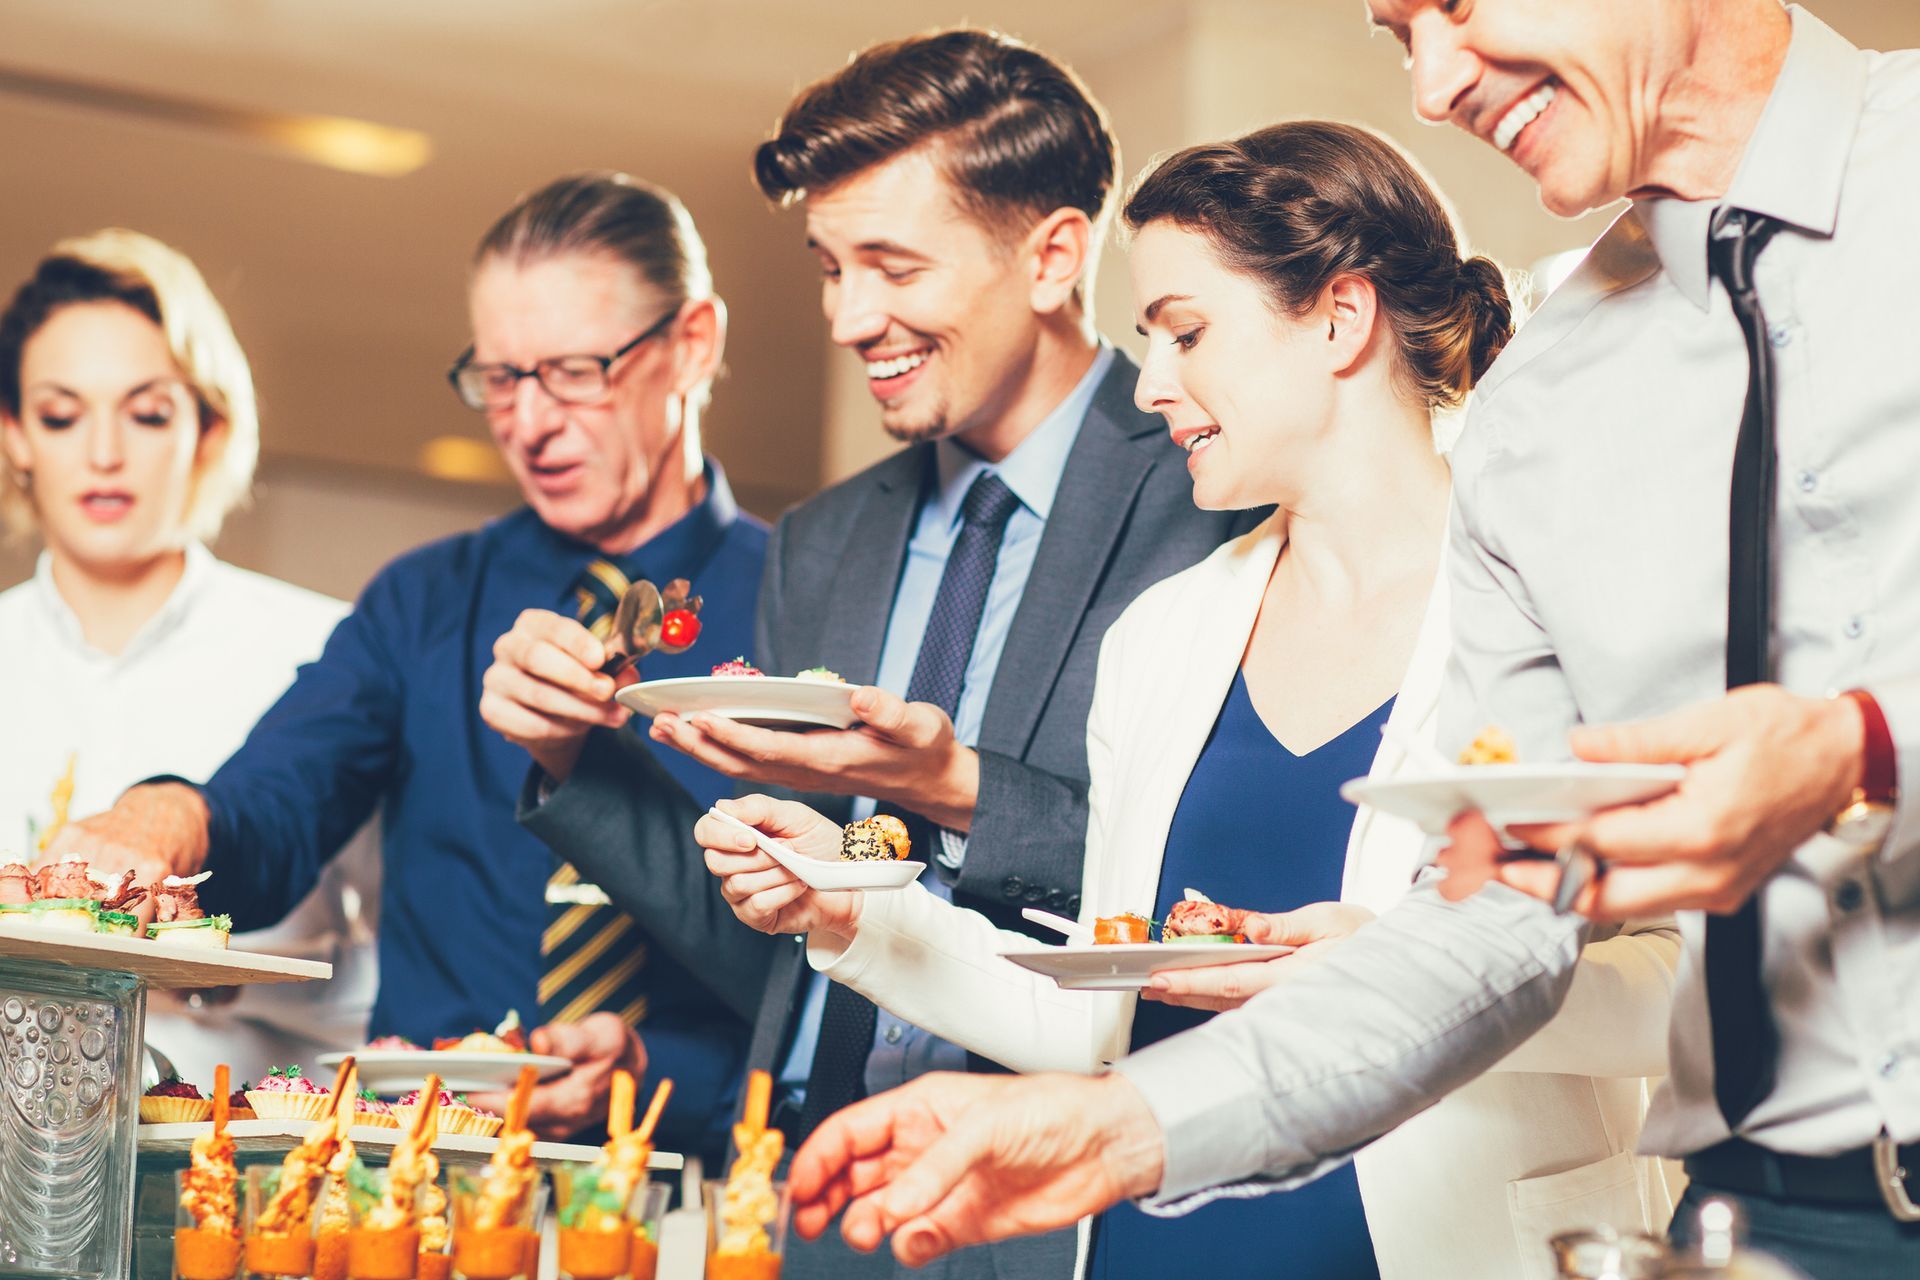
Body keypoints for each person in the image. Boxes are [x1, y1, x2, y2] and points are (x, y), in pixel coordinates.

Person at [776, 3, 1920, 1277]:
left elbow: (1653, 937)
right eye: (1397, 34)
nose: (1431, 87)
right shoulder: (1553, 399)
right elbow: (1495, 929)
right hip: (1753, 1215)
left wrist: (1866, 749)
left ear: (1338, 318)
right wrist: (1118, 1121)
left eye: (1457, 7)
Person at [699, 121, 1682, 1280]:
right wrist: (853, 911)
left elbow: (1689, 989)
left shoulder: (1568, 599)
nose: (1152, 383)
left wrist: (1397, 974)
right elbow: (1097, 1011)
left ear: (1338, 316)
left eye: (1185, 333)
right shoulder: (1162, 636)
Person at [487, 28, 1257, 1279]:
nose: (849, 317)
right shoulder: (826, 542)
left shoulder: (1211, 488)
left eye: (892, 264)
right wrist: (577, 757)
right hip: (810, 1195)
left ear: (1055, 254)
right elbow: (786, 936)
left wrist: (946, 786)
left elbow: (1223, 901)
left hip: (1051, 1204)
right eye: (830, 267)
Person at [51, 176, 771, 1152]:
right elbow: (272, 806)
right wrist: (161, 818)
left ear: (694, 344)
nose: (530, 421)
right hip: (429, 1175)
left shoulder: (809, 596)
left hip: (719, 1177)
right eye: (500, 377)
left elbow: (856, 955)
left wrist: (663, 1069)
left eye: (572, 370)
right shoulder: (423, 600)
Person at [0, 229, 378, 1087]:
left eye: (147, 412)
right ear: (15, 433)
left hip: (251, 1158)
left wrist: (192, 982)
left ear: (207, 427)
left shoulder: (329, 651)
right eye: (62, 415)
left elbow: (397, 964)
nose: (104, 453)